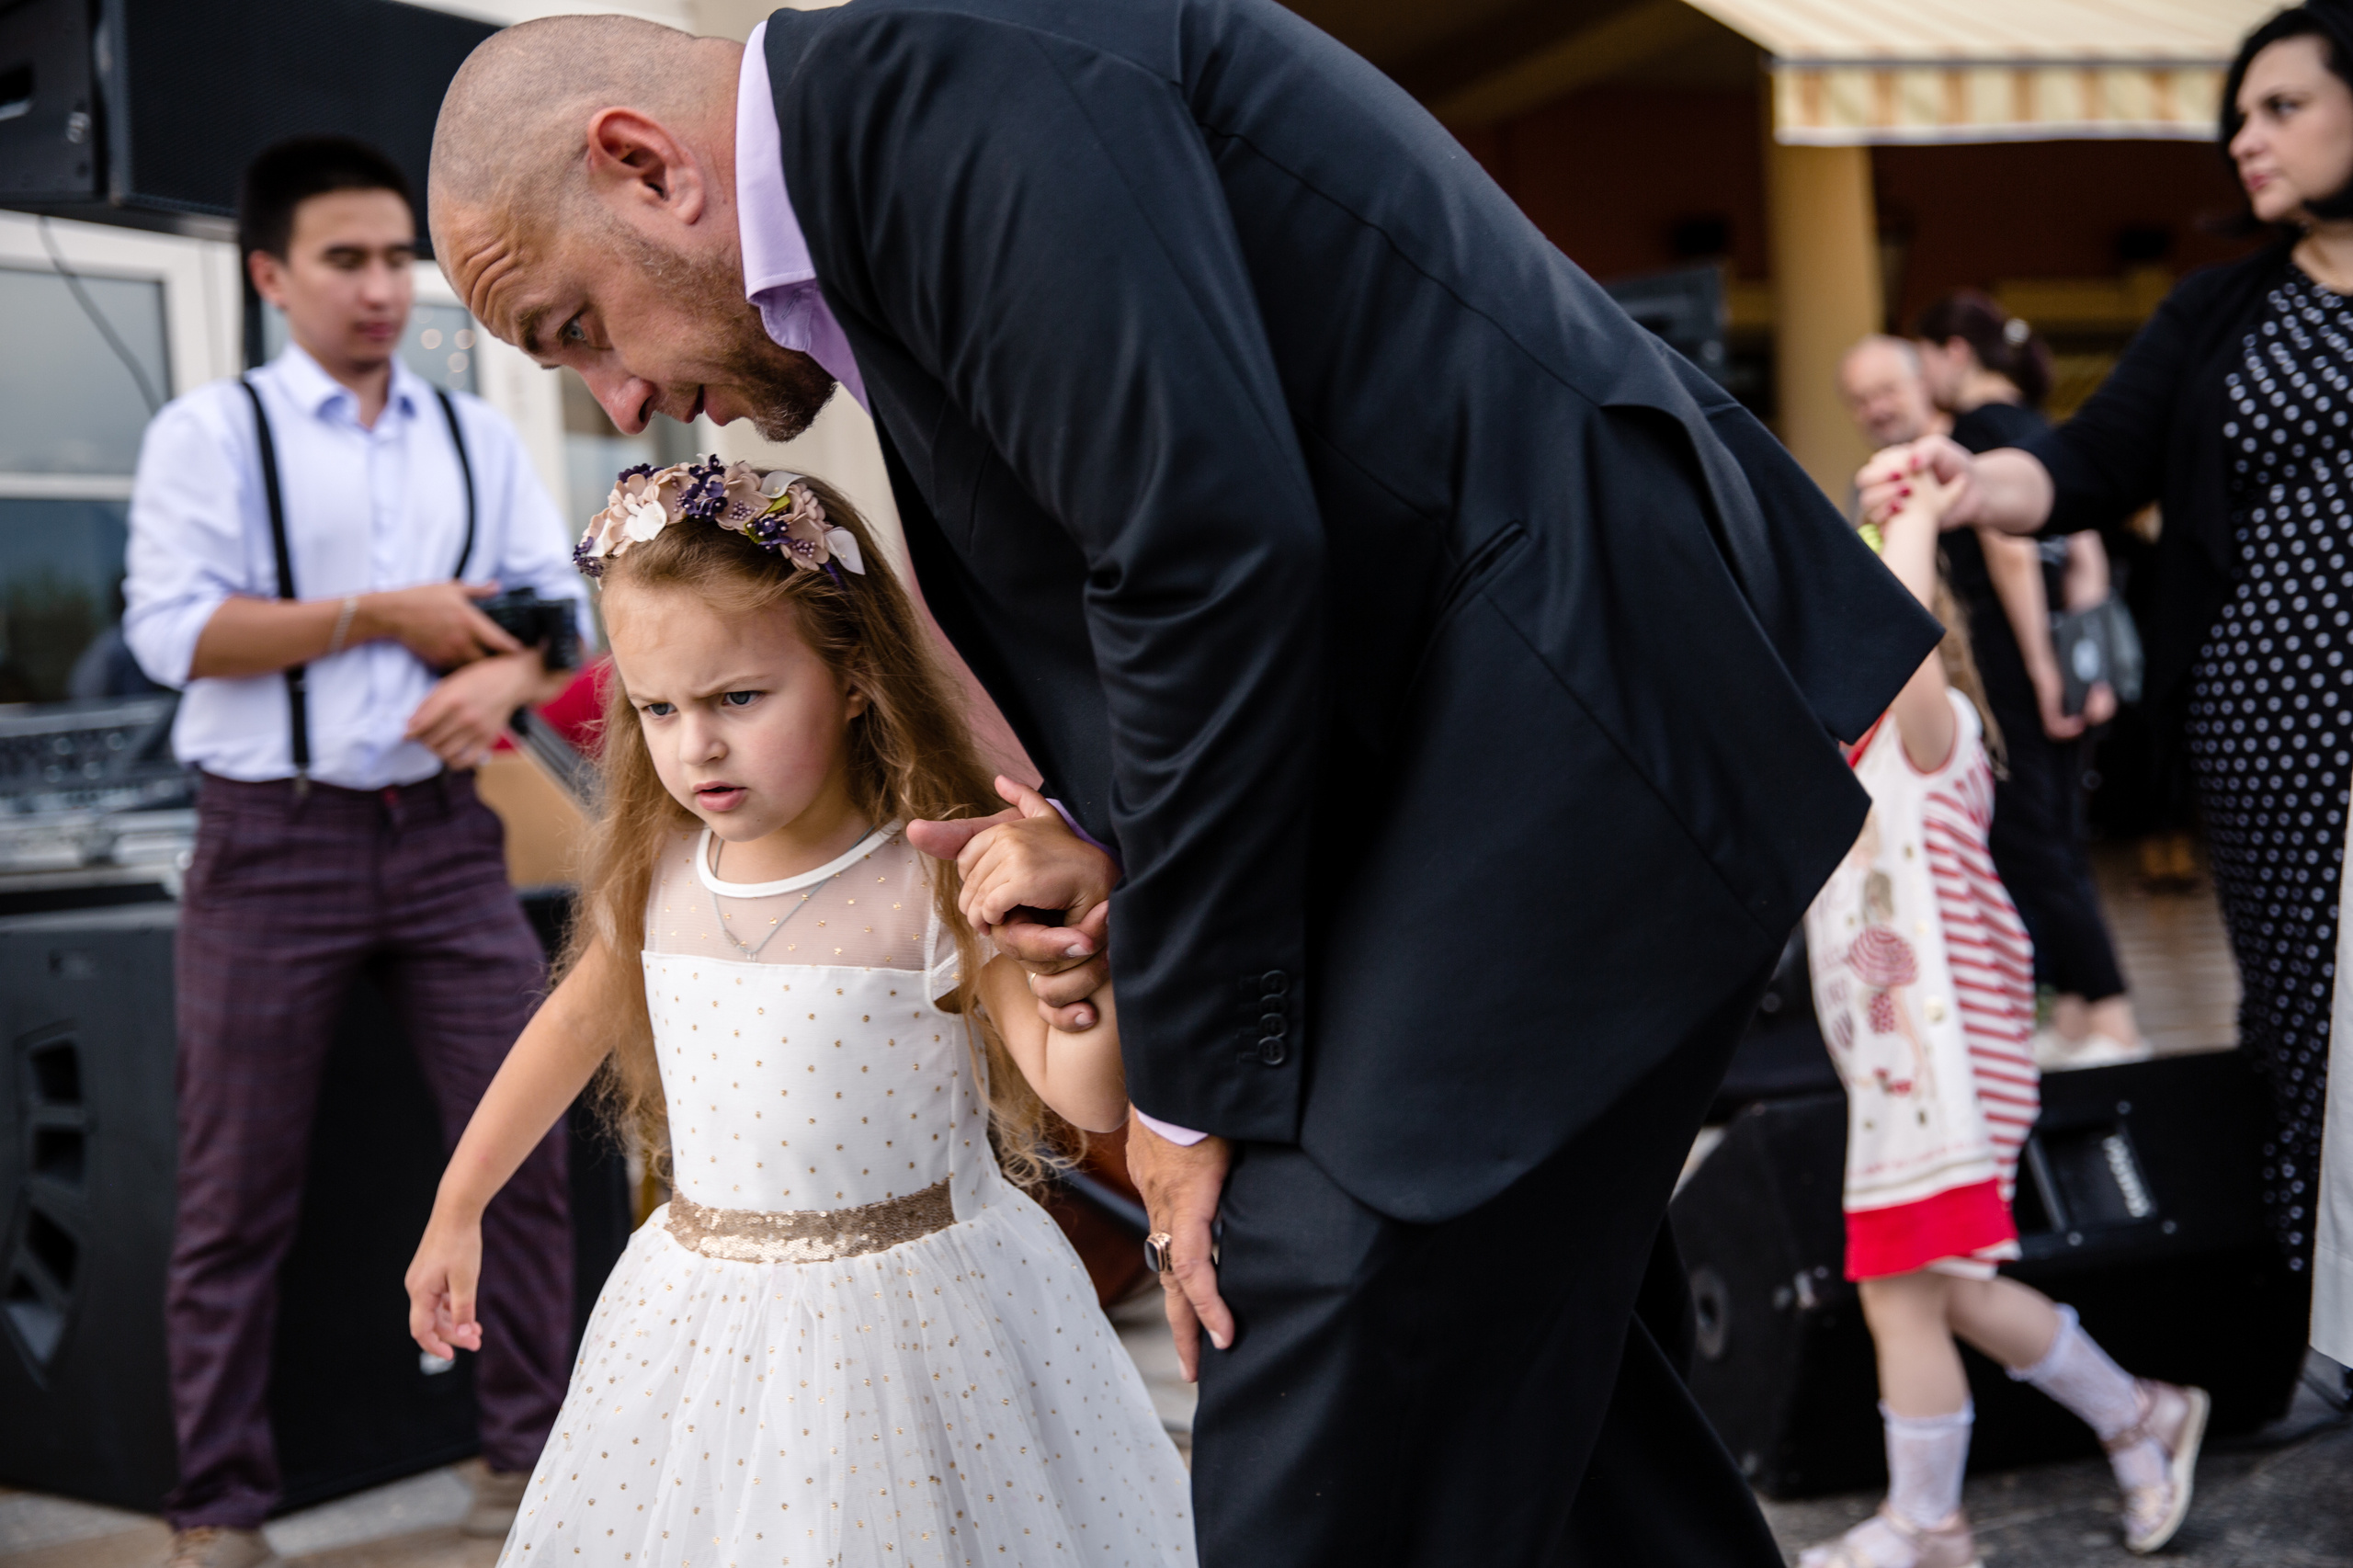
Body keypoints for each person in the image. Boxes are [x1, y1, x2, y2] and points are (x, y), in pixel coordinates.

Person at [426, 7, 1938, 1562]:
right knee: (1525, 1401)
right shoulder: (898, 137)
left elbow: (1204, 558)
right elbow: (1181, 539)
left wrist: (1187, 1083)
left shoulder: (935, 88)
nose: (619, 400)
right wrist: (1107, 852)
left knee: (1319, 1307)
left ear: (642, 165)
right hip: (1495, 731)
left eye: (575, 328)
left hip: (1573, 708)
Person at [403, 459, 1195, 1563]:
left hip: (916, 1331)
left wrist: (1076, 982)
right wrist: (460, 1200)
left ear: (856, 675)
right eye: (657, 707)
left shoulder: (935, 881)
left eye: (738, 697)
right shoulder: (660, 875)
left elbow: (1086, 1092)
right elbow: (569, 1030)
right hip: (698, 1319)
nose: (697, 745)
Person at [121, 136, 587, 1568]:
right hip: (273, 842)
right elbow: (170, 632)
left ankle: (535, 1461)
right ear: (271, 274)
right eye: (347, 259)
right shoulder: (212, 433)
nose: (384, 286)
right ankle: (221, 1506)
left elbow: (551, 606)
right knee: (235, 1188)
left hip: (445, 841)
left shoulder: (472, 430)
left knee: (524, 1146)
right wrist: (385, 614)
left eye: (399, 258)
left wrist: (509, 680)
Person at [1861, 1, 2353, 1315]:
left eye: (2283, 107)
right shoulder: (2221, 312)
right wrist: (1971, 478)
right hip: (2283, 731)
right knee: (2307, 1027)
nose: (2245, 137)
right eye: (2237, 114)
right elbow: (2080, 464)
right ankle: (2325, 1329)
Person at [1799, 472, 2206, 1568]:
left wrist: (1912, 517)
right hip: (1901, 1085)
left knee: (1899, 1293)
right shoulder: (1840, 765)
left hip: (1943, 1081)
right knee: (1946, 1292)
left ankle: (1930, 1522)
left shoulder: (1935, 743)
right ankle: (2138, 1413)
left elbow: (1892, 640)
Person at [1911, 292, 2148, 1069]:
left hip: (2011, 664)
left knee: (2028, 842)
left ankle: (2111, 1018)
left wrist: (2045, 671)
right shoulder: (2040, 430)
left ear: (1952, 352)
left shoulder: (1975, 434)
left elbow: (2011, 553)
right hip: (2058, 656)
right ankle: (2081, 1016)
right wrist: (2084, 668)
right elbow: (2084, 557)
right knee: (2063, 840)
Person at [1840, 335, 1951, 452]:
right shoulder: (1878, 469)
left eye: (1887, 390)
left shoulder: (1968, 450)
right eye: (1861, 401)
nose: (1876, 409)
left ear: (1922, 383)